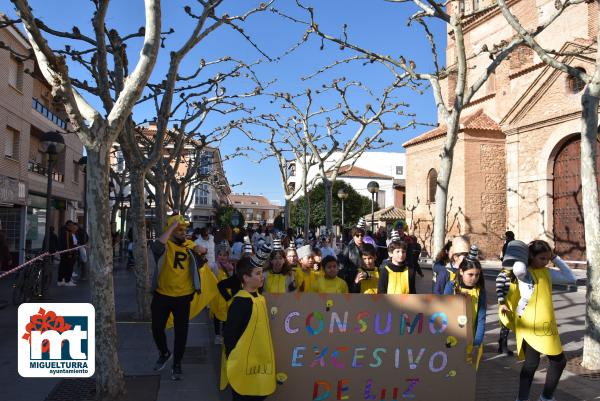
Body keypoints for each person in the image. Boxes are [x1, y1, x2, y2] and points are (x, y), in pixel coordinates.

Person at [514, 240, 576, 401]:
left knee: (558, 361)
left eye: (547, 259)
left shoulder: (547, 272)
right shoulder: (525, 274)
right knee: (531, 365)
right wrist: (523, 253)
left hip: (547, 326)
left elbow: (571, 278)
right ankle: (525, 398)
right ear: (531, 256)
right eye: (542, 258)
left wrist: (555, 258)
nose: (545, 262)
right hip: (530, 325)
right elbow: (518, 269)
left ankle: (545, 397)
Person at [150, 214, 207, 380]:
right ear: (171, 230)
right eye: (179, 229)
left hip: (183, 297)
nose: (184, 232)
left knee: (181, 333)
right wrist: (172, 226)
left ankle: (177, 364)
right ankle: (164, 353)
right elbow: (157, 247)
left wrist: (201, 252)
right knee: (156, 328)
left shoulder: (190, 245)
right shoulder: (165, 245)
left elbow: (201, 261)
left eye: (185, 229)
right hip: (162, 295)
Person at [223, 254, 276, 401]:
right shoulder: (240, 302)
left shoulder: (260, 298)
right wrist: (233, 358)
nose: (262, 277)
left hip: (260, 362)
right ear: (246, 278)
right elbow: (230, 335)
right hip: (243, 363)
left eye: (261, 273)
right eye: (258, 273)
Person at [443, 245, 486, 370]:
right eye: (470, 274)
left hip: (471, 339)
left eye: (477, 275)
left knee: (468, 373)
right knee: (451, 372)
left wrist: (477, 342)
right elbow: (443, 312)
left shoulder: (480, 290)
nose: (474, 278)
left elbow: (481, 317)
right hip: (451, 338)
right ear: (461, 272)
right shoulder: (451, 286)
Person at [496, 240, 523, 357]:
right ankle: (502, 346)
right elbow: (499, 291)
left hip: (515, 305)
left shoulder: (516, 275)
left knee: (511, 326)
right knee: (505, 326)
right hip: (505, 305)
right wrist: (502, 303)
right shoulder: (502, 275)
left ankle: (503, 343)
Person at [210, 241, 235, 345]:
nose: (222, 257)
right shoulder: (214, 266)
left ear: (228, 256)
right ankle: (217, 335)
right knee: (216, 315)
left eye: (224, 255)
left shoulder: (230, 267)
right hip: (216, 296)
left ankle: (224, 335)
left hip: (226, 295)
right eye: (220, 254)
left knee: (226, 316)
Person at [338, 220, 365, 291]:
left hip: (366, 278)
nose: (360, 237)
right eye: (357, 235)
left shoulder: (367, 247)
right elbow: (341, 264)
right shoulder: (349, 248)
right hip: (352, 279)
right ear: (353, 236)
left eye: (362, 235)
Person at [57, 221, 78, 286]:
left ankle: (61, 280)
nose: (72, 227)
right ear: (68, 226)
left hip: (65, 253)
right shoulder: (66, 233)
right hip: (67, 253)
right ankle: (67, 281)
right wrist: (70, 253)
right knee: (68, 267)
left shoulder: (64, 232)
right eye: (71, 226)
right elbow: (68, 244)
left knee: (63, 267)